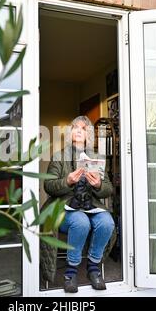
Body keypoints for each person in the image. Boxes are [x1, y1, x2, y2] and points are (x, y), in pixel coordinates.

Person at [43, 115, 115, 293]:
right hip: (65, 206)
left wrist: (98, 184)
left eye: (83, 128)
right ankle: (71, 272)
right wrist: (67, 181)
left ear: (88, 134)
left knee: (107, 222)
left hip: (91, 205)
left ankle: (93, 267)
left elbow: (108, 188)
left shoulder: (97, 157)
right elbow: (48, 186)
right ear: (70, 132)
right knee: (81, 222)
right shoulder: (59, 156)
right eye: (75, 127)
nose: (78, 131)